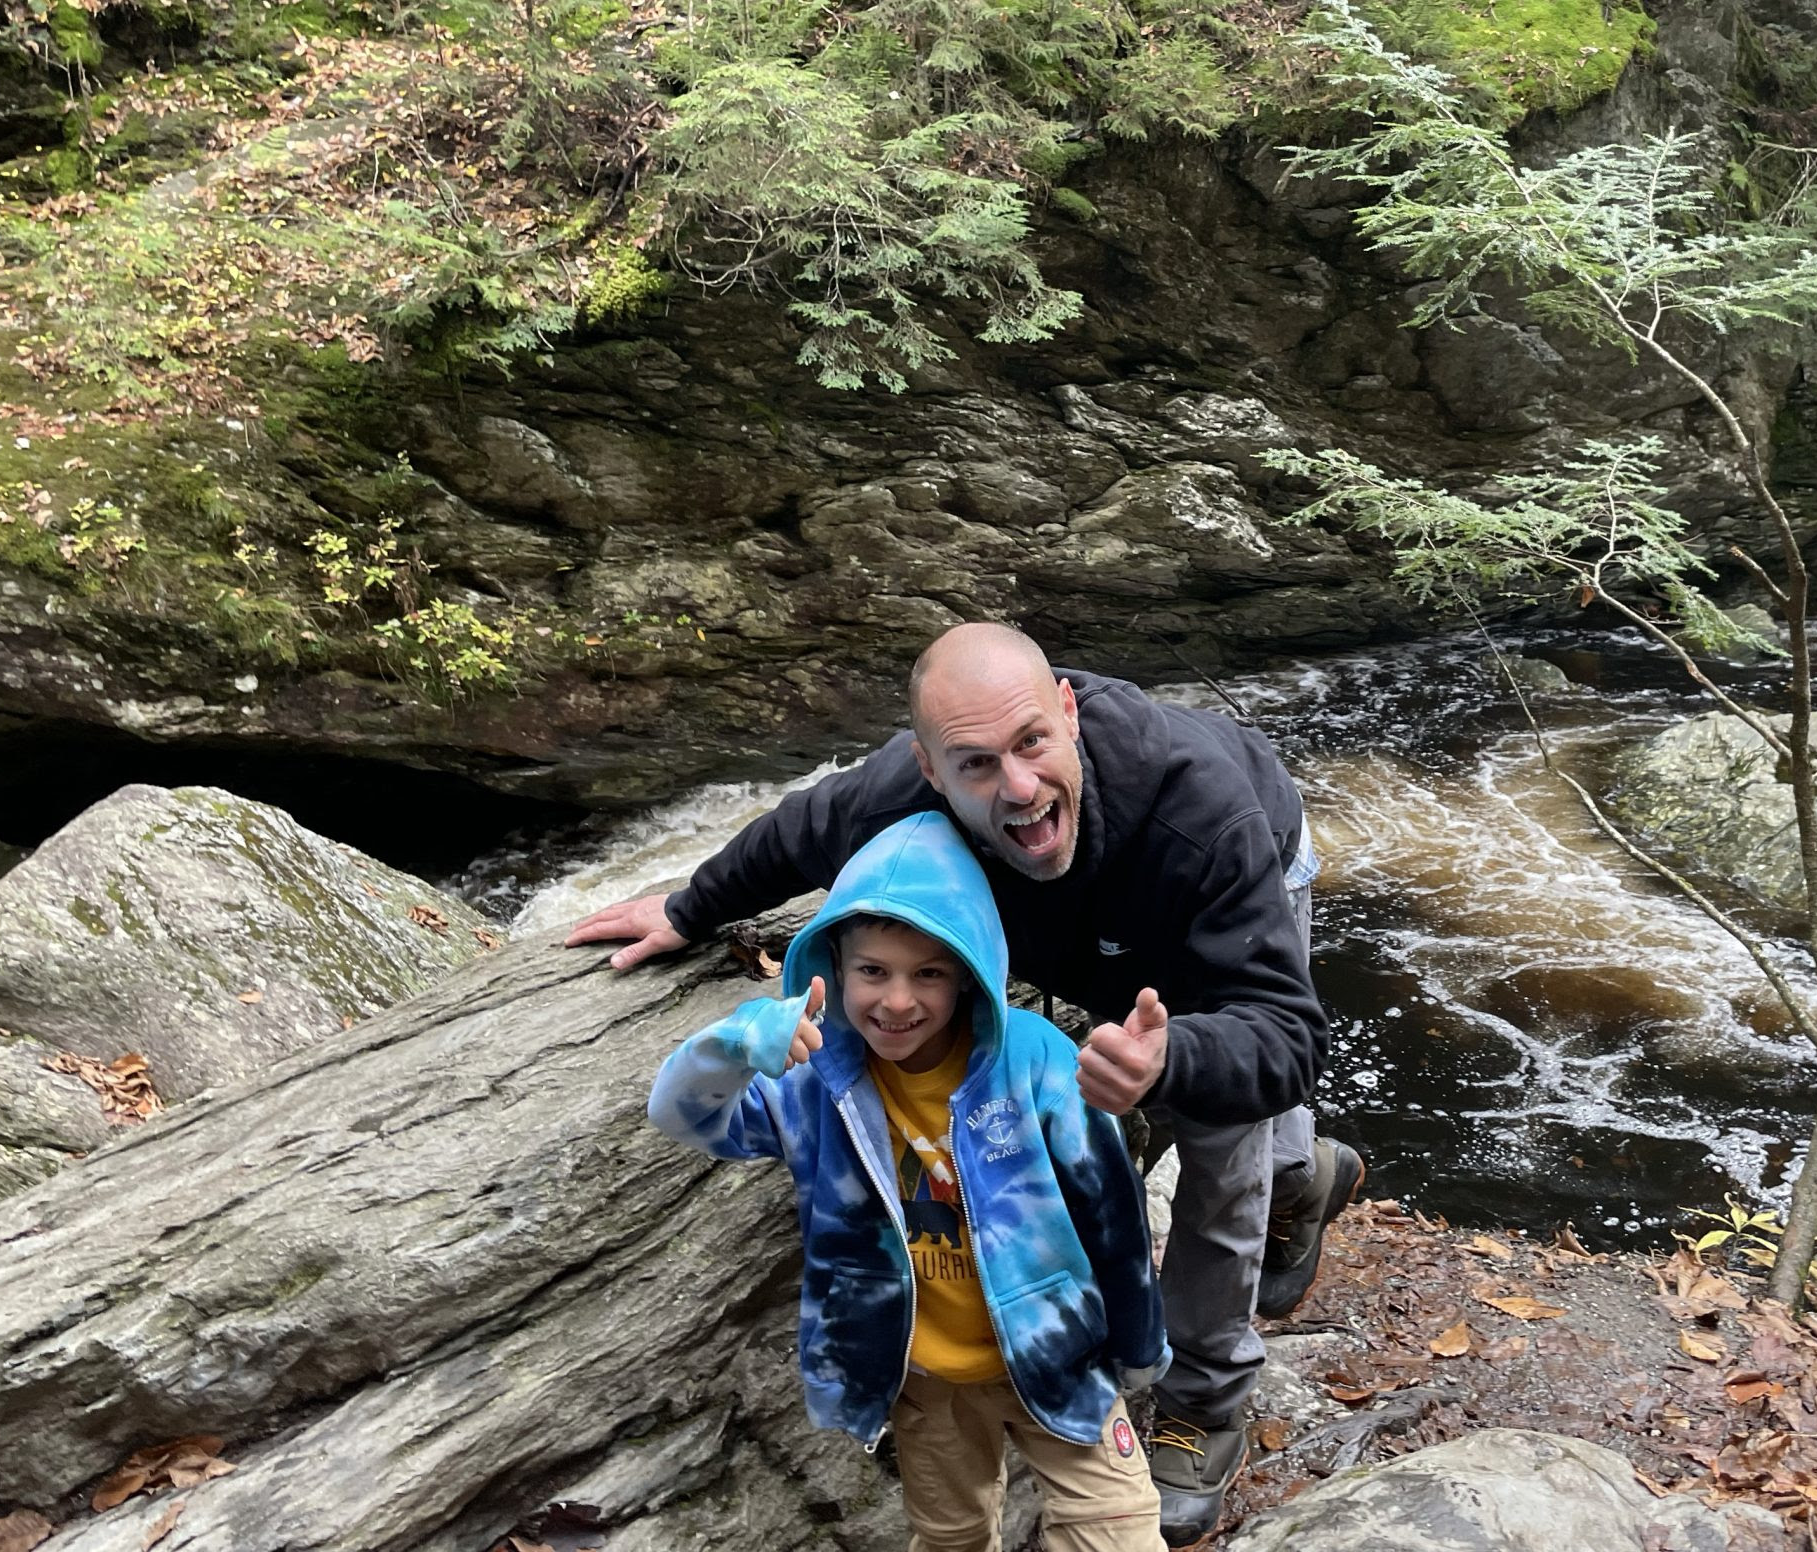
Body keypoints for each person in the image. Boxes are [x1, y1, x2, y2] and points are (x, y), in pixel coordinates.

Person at [572, 621, 1362, 1545]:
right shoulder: (904, 788)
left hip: (1223, 889)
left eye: (1032, 743)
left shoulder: (1202, 813)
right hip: (1085, 925)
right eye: (977, 765)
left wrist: (1173, 1060)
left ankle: (1206, 1398)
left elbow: (1288, 1032)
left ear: (1067, 713)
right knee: (1216, 1110)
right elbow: (797, 831)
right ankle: (1306, 1176)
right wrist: (686, 906)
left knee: (1224, 1147)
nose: (1018, 787)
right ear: (931, 771)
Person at [647, 810, 1169, 1552]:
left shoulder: (1033, 1058)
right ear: (833, 969)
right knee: (950, 1536)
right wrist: (729, 1046)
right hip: (925, 1379)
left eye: (928, 972)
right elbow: (681, 1117)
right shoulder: (812, 1081)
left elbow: (1110, 1208)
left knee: (1117, 1532)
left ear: (968, 976)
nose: (897, 1001)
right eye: (873, 972)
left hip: (1059, 1355)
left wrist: (1140, 1343)